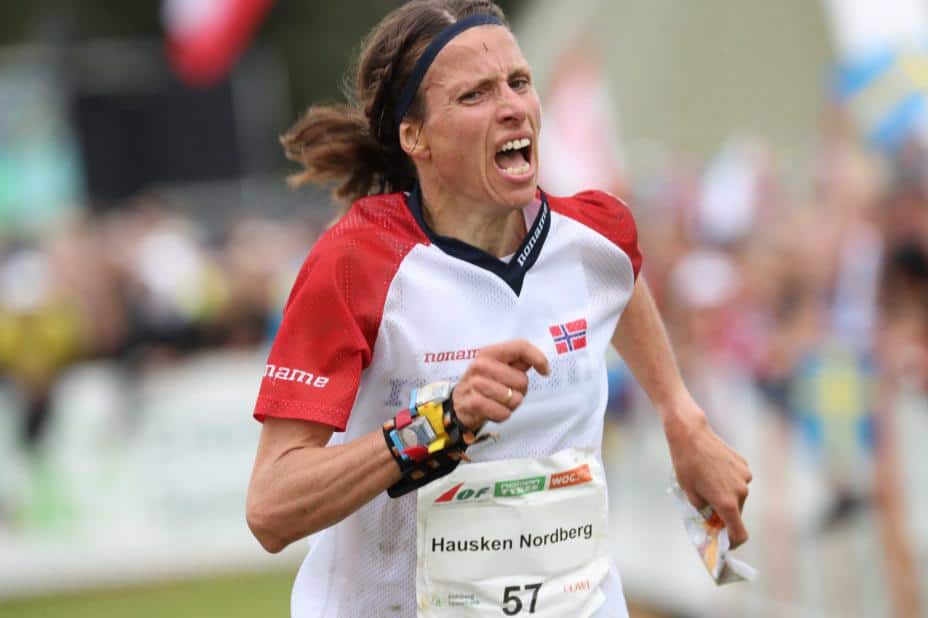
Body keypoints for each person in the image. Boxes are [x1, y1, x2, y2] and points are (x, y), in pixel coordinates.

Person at [246, 1, 752, 616]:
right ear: (415, 137)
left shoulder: (595, 238)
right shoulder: (356, 264)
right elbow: (272, 508)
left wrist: (681, 417)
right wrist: (438, 423)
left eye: (519, 82)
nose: (512, 106)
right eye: (475, 95)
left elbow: (622, 282)